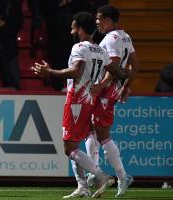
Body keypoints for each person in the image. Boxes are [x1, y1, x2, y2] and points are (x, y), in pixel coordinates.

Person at [32, 11, 130, 198]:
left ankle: (101, 176)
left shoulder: (79, 47)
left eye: (73, 25)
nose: (70, 29)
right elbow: (118, 71)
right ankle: (82, 187)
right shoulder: (100, 50)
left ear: (79, 27)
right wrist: (126, 83)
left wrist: (49, 72)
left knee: (69, 148)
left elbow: (77, 71)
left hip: (77, 100)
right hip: (89, 101)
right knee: (75, 144)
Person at [84, 5, 140, 198]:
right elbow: (136, 64)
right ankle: (94, 171)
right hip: (112, 88)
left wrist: (102, 85)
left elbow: (114, 63)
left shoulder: (111, 38)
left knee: (102, 132)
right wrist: (126, 86)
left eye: (99, 18)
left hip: (106, 89)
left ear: (109, 19)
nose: (97, 22)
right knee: (90, 127)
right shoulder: (125, 36)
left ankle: (123, 176)